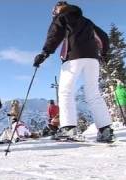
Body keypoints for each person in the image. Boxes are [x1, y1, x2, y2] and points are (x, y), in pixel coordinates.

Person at [33, 1, 114, 142]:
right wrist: (105, 54)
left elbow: (54, 34)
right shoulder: (87, 21)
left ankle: (69, 129)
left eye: (54, 10)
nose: (54, 12)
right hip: (93, 59)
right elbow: (103, 36)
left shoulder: (62, 17)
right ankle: (105, 130)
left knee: (65, 92)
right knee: (93, 94)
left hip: (73, 57)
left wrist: (45, 53)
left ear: (59, 9)